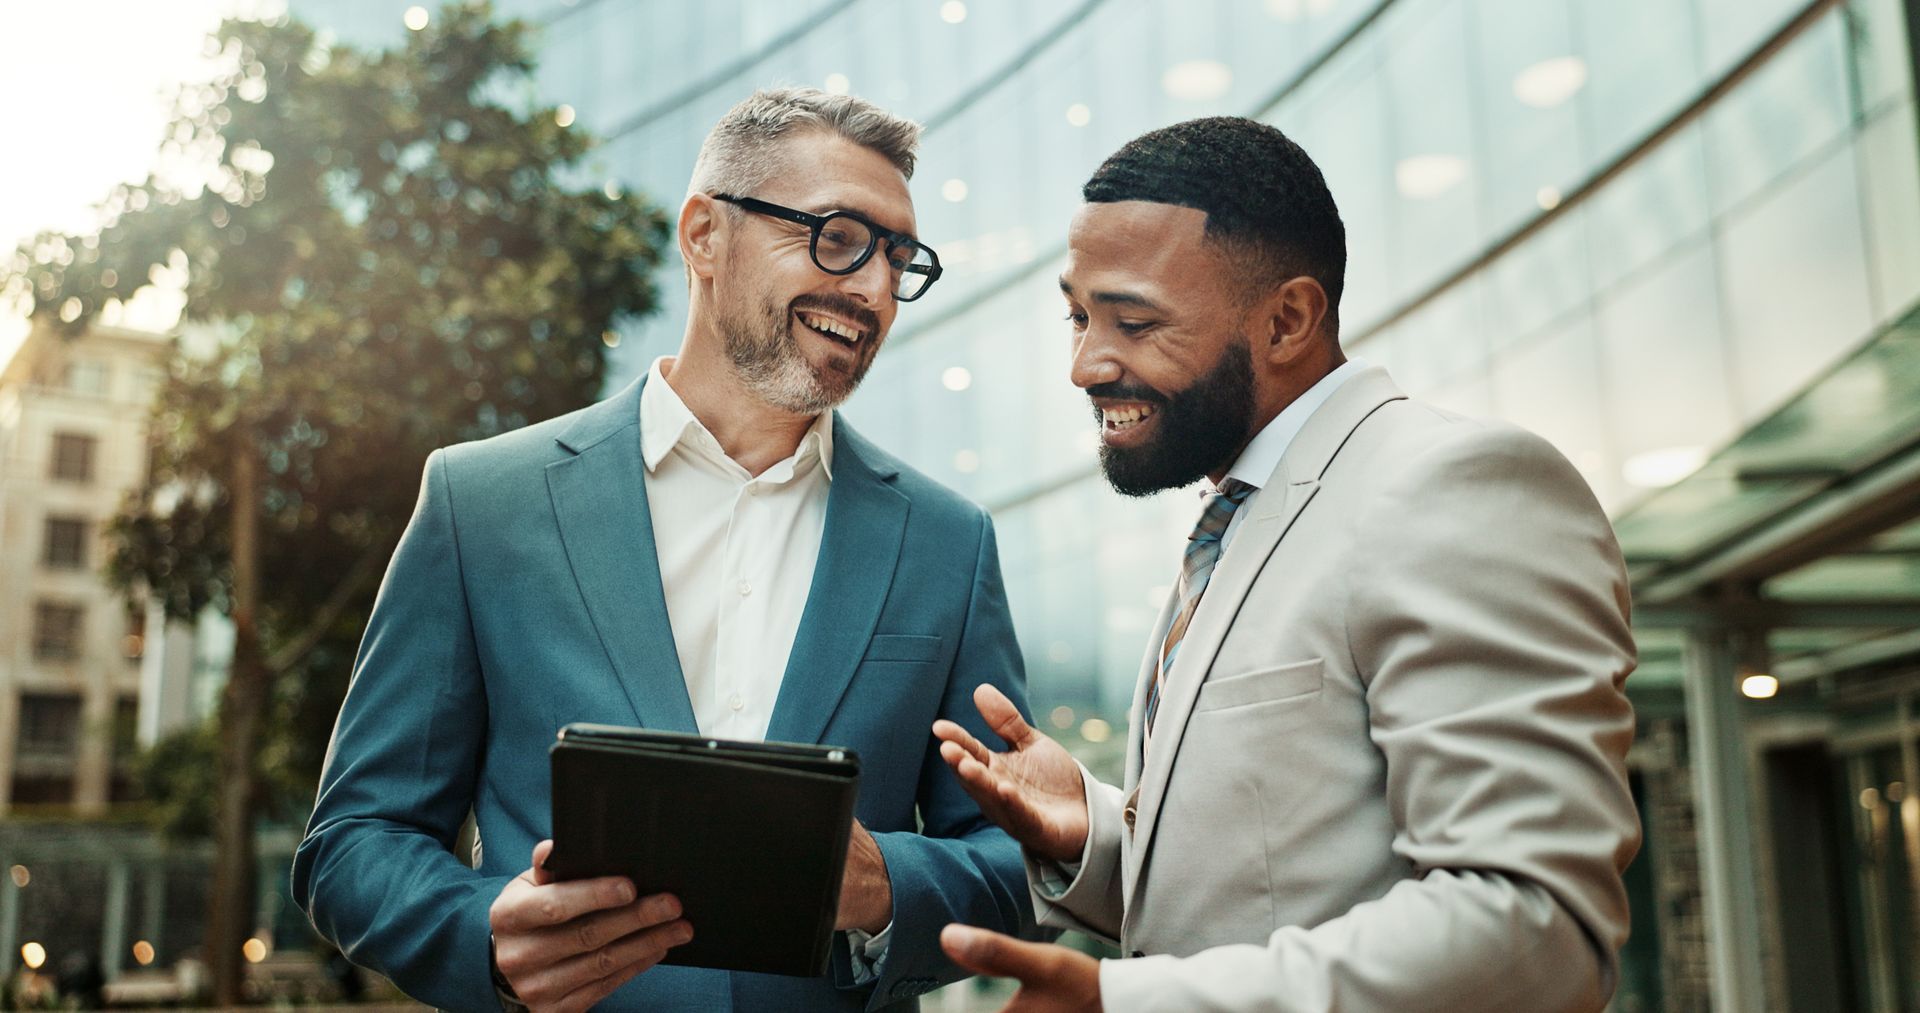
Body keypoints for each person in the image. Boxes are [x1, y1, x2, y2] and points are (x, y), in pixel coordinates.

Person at [293, 87, 1042, 1012]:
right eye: (840, 238)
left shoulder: (947, 542)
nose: (877, 291)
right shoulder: (481, 501)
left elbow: (1014, 858)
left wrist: (885, 881)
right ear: (703, 236)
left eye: (900, 259)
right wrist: (482, 936)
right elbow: (355, 838)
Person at [931, 117, 1639, 1012]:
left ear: (1289, 319)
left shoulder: (1451, 488)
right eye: (1078, 316)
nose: (1085, 364)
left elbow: (1533, 928)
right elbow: (1271, 892)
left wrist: (1134, 1004)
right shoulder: (1244, 517)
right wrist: (1097, 837)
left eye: (1134, 321)